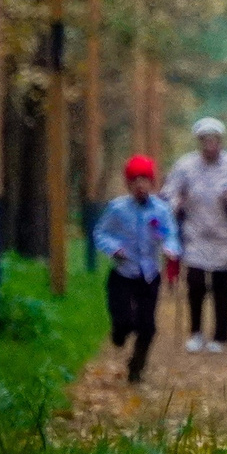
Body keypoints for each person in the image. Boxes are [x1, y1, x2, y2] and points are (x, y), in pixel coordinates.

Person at [164, 116, 227, 354]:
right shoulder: (185, 166)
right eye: (205, 140)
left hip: (225, 237)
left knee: (223, 287)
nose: (210, 145)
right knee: (195, 284)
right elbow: (168, 195)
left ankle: (220, 335)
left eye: (214, 140)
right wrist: (178, 203)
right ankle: (195, 332)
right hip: (196, 234)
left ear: (221, 142)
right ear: (199, 142)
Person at [92, 154, 174, 383]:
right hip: (123, 273)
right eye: (135, 180)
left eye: (145, 179)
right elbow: (101, 233)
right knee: (124, 320)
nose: (140, 185)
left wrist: (170, 248)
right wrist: (113, 248)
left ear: (152, 182)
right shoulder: (117, 209)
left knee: (147, 327)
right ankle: (119, 333)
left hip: (149, 275)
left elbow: (170, 235)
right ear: (128, 184)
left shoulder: (161, 210)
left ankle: (137, 366)